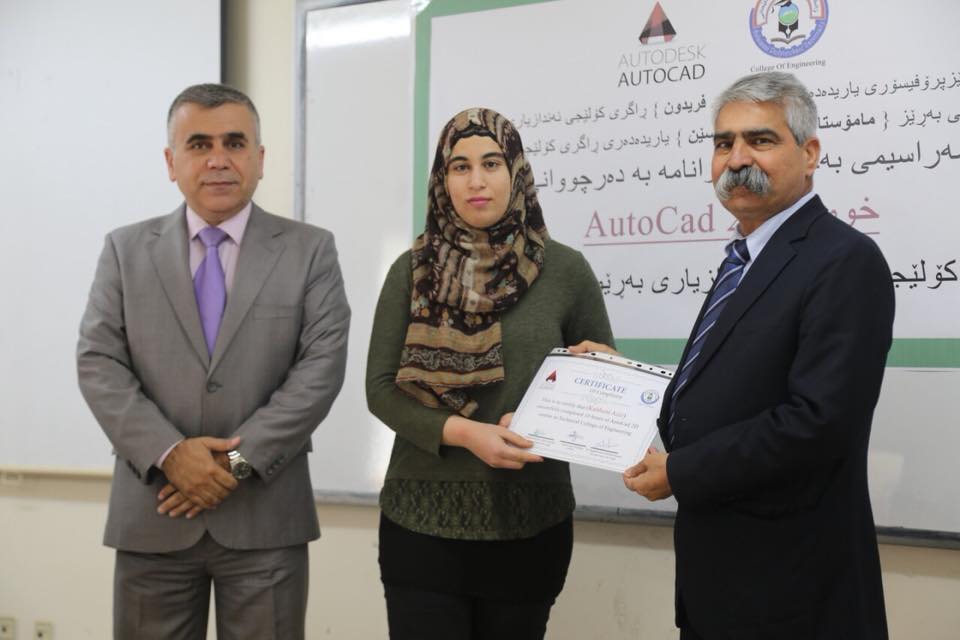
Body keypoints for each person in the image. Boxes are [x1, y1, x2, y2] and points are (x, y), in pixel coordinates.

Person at [578, 72, 894, 638]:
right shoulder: (744, 259)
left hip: (793, 593)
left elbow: (818, 423)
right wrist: (620, 381)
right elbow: (717, 398)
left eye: (760, 140)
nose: (737, 158)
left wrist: (679, 471)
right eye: (724, 143)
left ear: (810, 153)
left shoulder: (844, 260)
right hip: (720, 587)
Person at [77, 83, 350, 639]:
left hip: (265, 519)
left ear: (260, 158)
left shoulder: (310, 250)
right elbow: (99, 362)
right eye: (199, 144)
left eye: (235, 143)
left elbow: (320, 370)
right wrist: (171, 454)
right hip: (154, 513)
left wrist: (235, 464)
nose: (218, 159)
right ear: (171, 162)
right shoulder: (124, 251)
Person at [366, 107, 613, 640]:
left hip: (531, 520)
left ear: (516, 172)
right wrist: (465, 433)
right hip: (420, 521)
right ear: (443, 180)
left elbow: (598, 384)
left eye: (492, 163)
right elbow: (381, 391)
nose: (476, 180)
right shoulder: (412, 271)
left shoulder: (566, 271)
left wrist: (597, 380)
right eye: (460, 166)